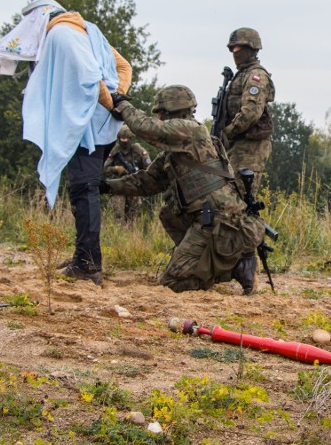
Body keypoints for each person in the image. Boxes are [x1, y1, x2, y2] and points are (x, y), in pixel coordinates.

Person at [0, 0, 132, 286]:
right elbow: (124, 67)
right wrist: (117, 97)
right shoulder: (87, 28)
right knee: (82, 188)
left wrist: (110, 102)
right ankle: (84, 255)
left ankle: (88, 265)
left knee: (84, 189)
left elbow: (89, 77)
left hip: (87, 127)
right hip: (98, 125)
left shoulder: (60, 33)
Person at [103, 85, 265, 294]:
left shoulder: (191, 130)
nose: (159, 117)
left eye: (161, 113)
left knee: (174, 284)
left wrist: (122, 105)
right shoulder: (175, 153)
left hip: (220, 220)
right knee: (169, 214)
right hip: (205, 218)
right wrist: (106, 186)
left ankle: (235, 263)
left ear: (173, 112)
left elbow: (147, 128)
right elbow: (146, 182)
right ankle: (219, 263)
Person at [217, 27, 275, 198]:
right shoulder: (240, 75)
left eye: (238, 48)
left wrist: (227, 133)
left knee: (241, 200)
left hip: (250, 147)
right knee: (230, 198)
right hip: (237, 145)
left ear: (250, 49)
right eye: (232, 48)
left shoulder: (255, 76)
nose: (234, 52)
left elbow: (250, 112)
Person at [103, 125, 151, 222]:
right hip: (118, 187)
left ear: (131, 138)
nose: (124, 141)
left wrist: (141, 176)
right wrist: (116, 169)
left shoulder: (138, 150)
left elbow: (149, 168)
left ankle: (130, 235)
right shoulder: (115, 150)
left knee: (132, 217)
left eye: (126, 139)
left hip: (134, 187)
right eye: (122, 139)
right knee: (117, 217)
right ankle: (118, 236)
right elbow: (104, 169)